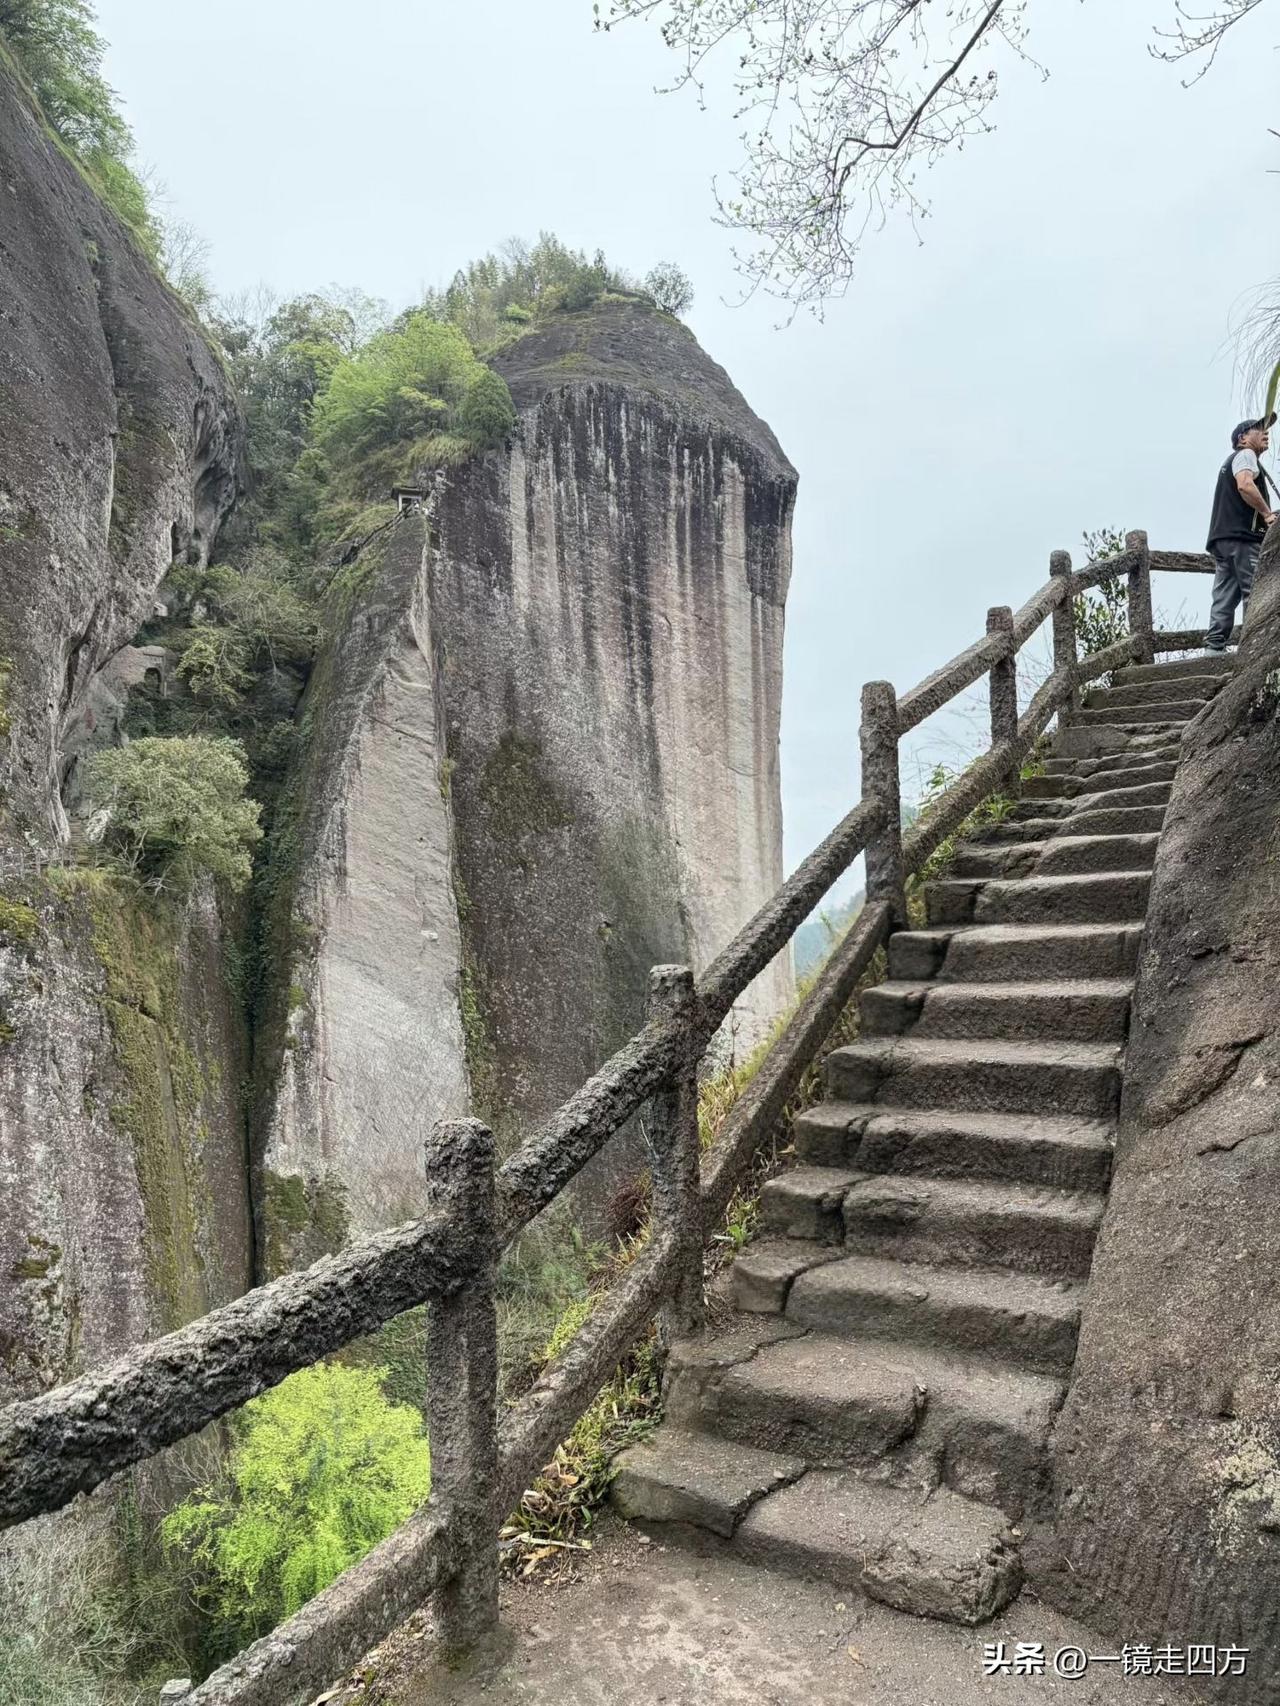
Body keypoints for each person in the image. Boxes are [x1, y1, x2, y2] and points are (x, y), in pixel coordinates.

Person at [1205, 414, 1278, 651]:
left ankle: (1213, 649)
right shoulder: (1245, 456)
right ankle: (1255, 647)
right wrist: (1268, 514)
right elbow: (1245, 484)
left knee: (1225, 595)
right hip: (1243, 538)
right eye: (1258, 429)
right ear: (1243, 439)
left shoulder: (1231, 461)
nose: (1265, 433)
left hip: (1223, 538)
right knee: (1256, 591)